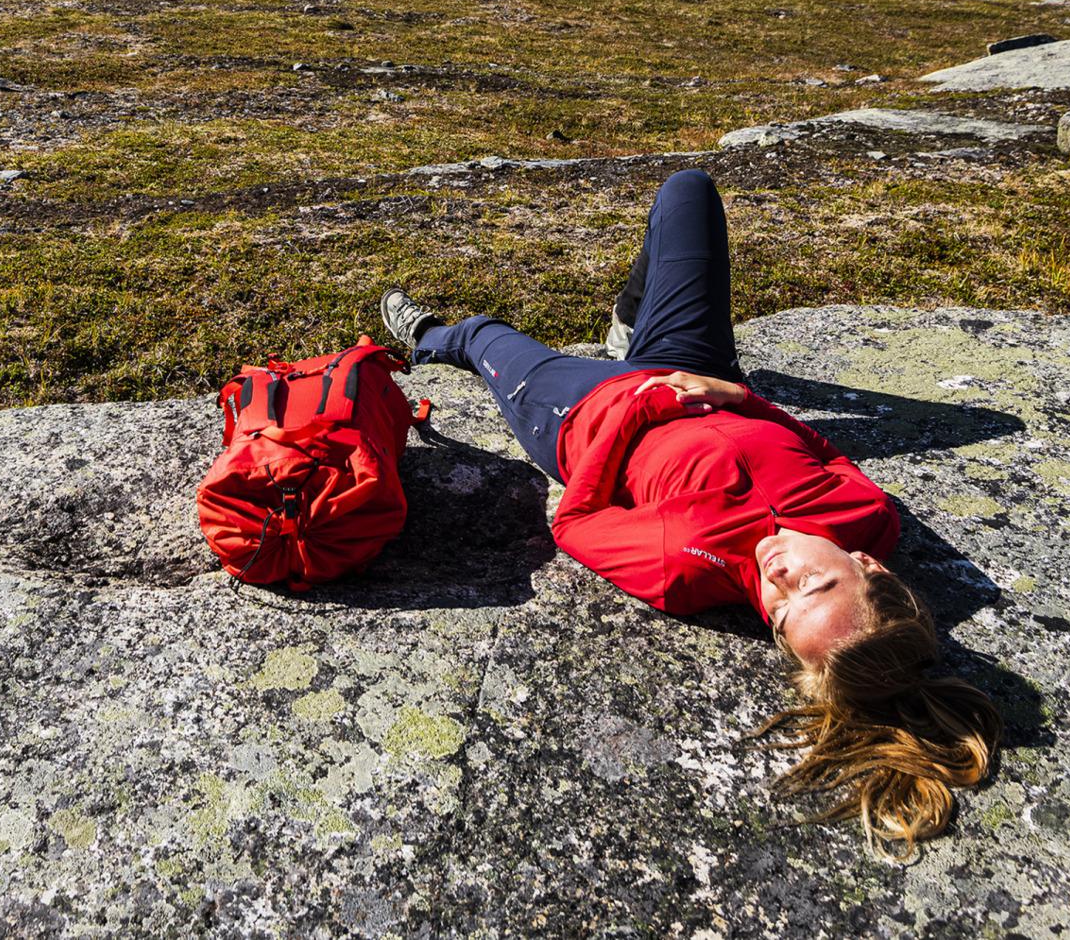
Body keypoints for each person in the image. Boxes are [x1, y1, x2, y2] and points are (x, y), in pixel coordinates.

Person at [379, 167, 999, 855]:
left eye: (781, 614)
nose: (779, 578)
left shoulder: (684, 568)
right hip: (697, 368)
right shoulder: (869, 515)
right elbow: (822, 449)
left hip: (580, 409)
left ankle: (428, 337)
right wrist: (738, 398)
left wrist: (642, 406)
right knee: (688, 192)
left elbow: (576, 521)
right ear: (865, 565)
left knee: (483, 336)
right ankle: (629, 325)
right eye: (813, 583)